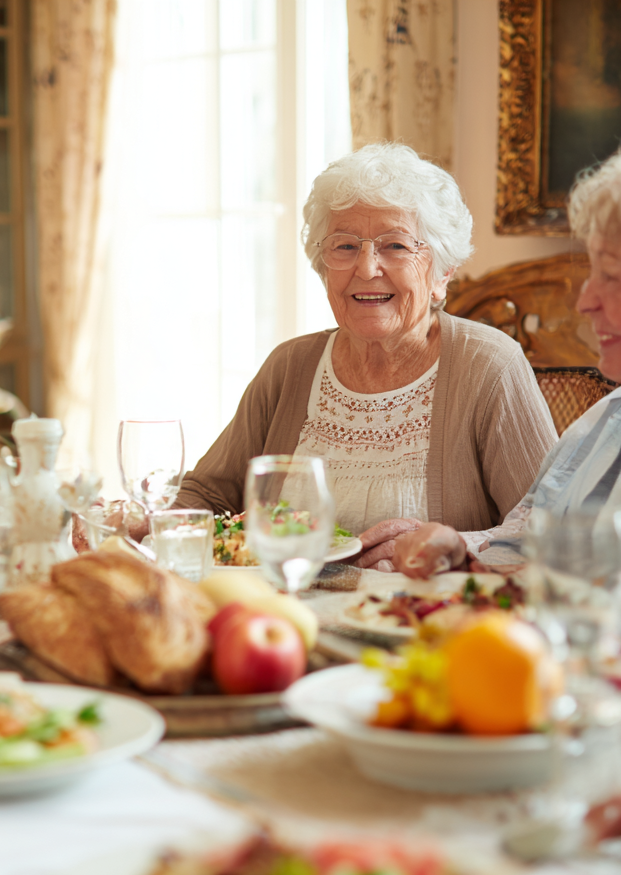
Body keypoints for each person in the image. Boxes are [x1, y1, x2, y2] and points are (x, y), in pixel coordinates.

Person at [174, 143, 558, 571]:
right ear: (323, 266)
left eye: (395, 245)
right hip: (284, 616)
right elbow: (205, 497)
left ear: (442, 272)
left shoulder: (488, 365)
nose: (367, 267)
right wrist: (143, 519)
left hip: (424, 625)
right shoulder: (290, 366)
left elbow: (551, 530)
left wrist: (458, 545)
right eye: (344, 246)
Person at [391, 149, 621, 577]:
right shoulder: (605, 421)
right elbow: (527, 540)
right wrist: (460, 546)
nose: (585, 301)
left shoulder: (486, 361)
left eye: (611, 275)